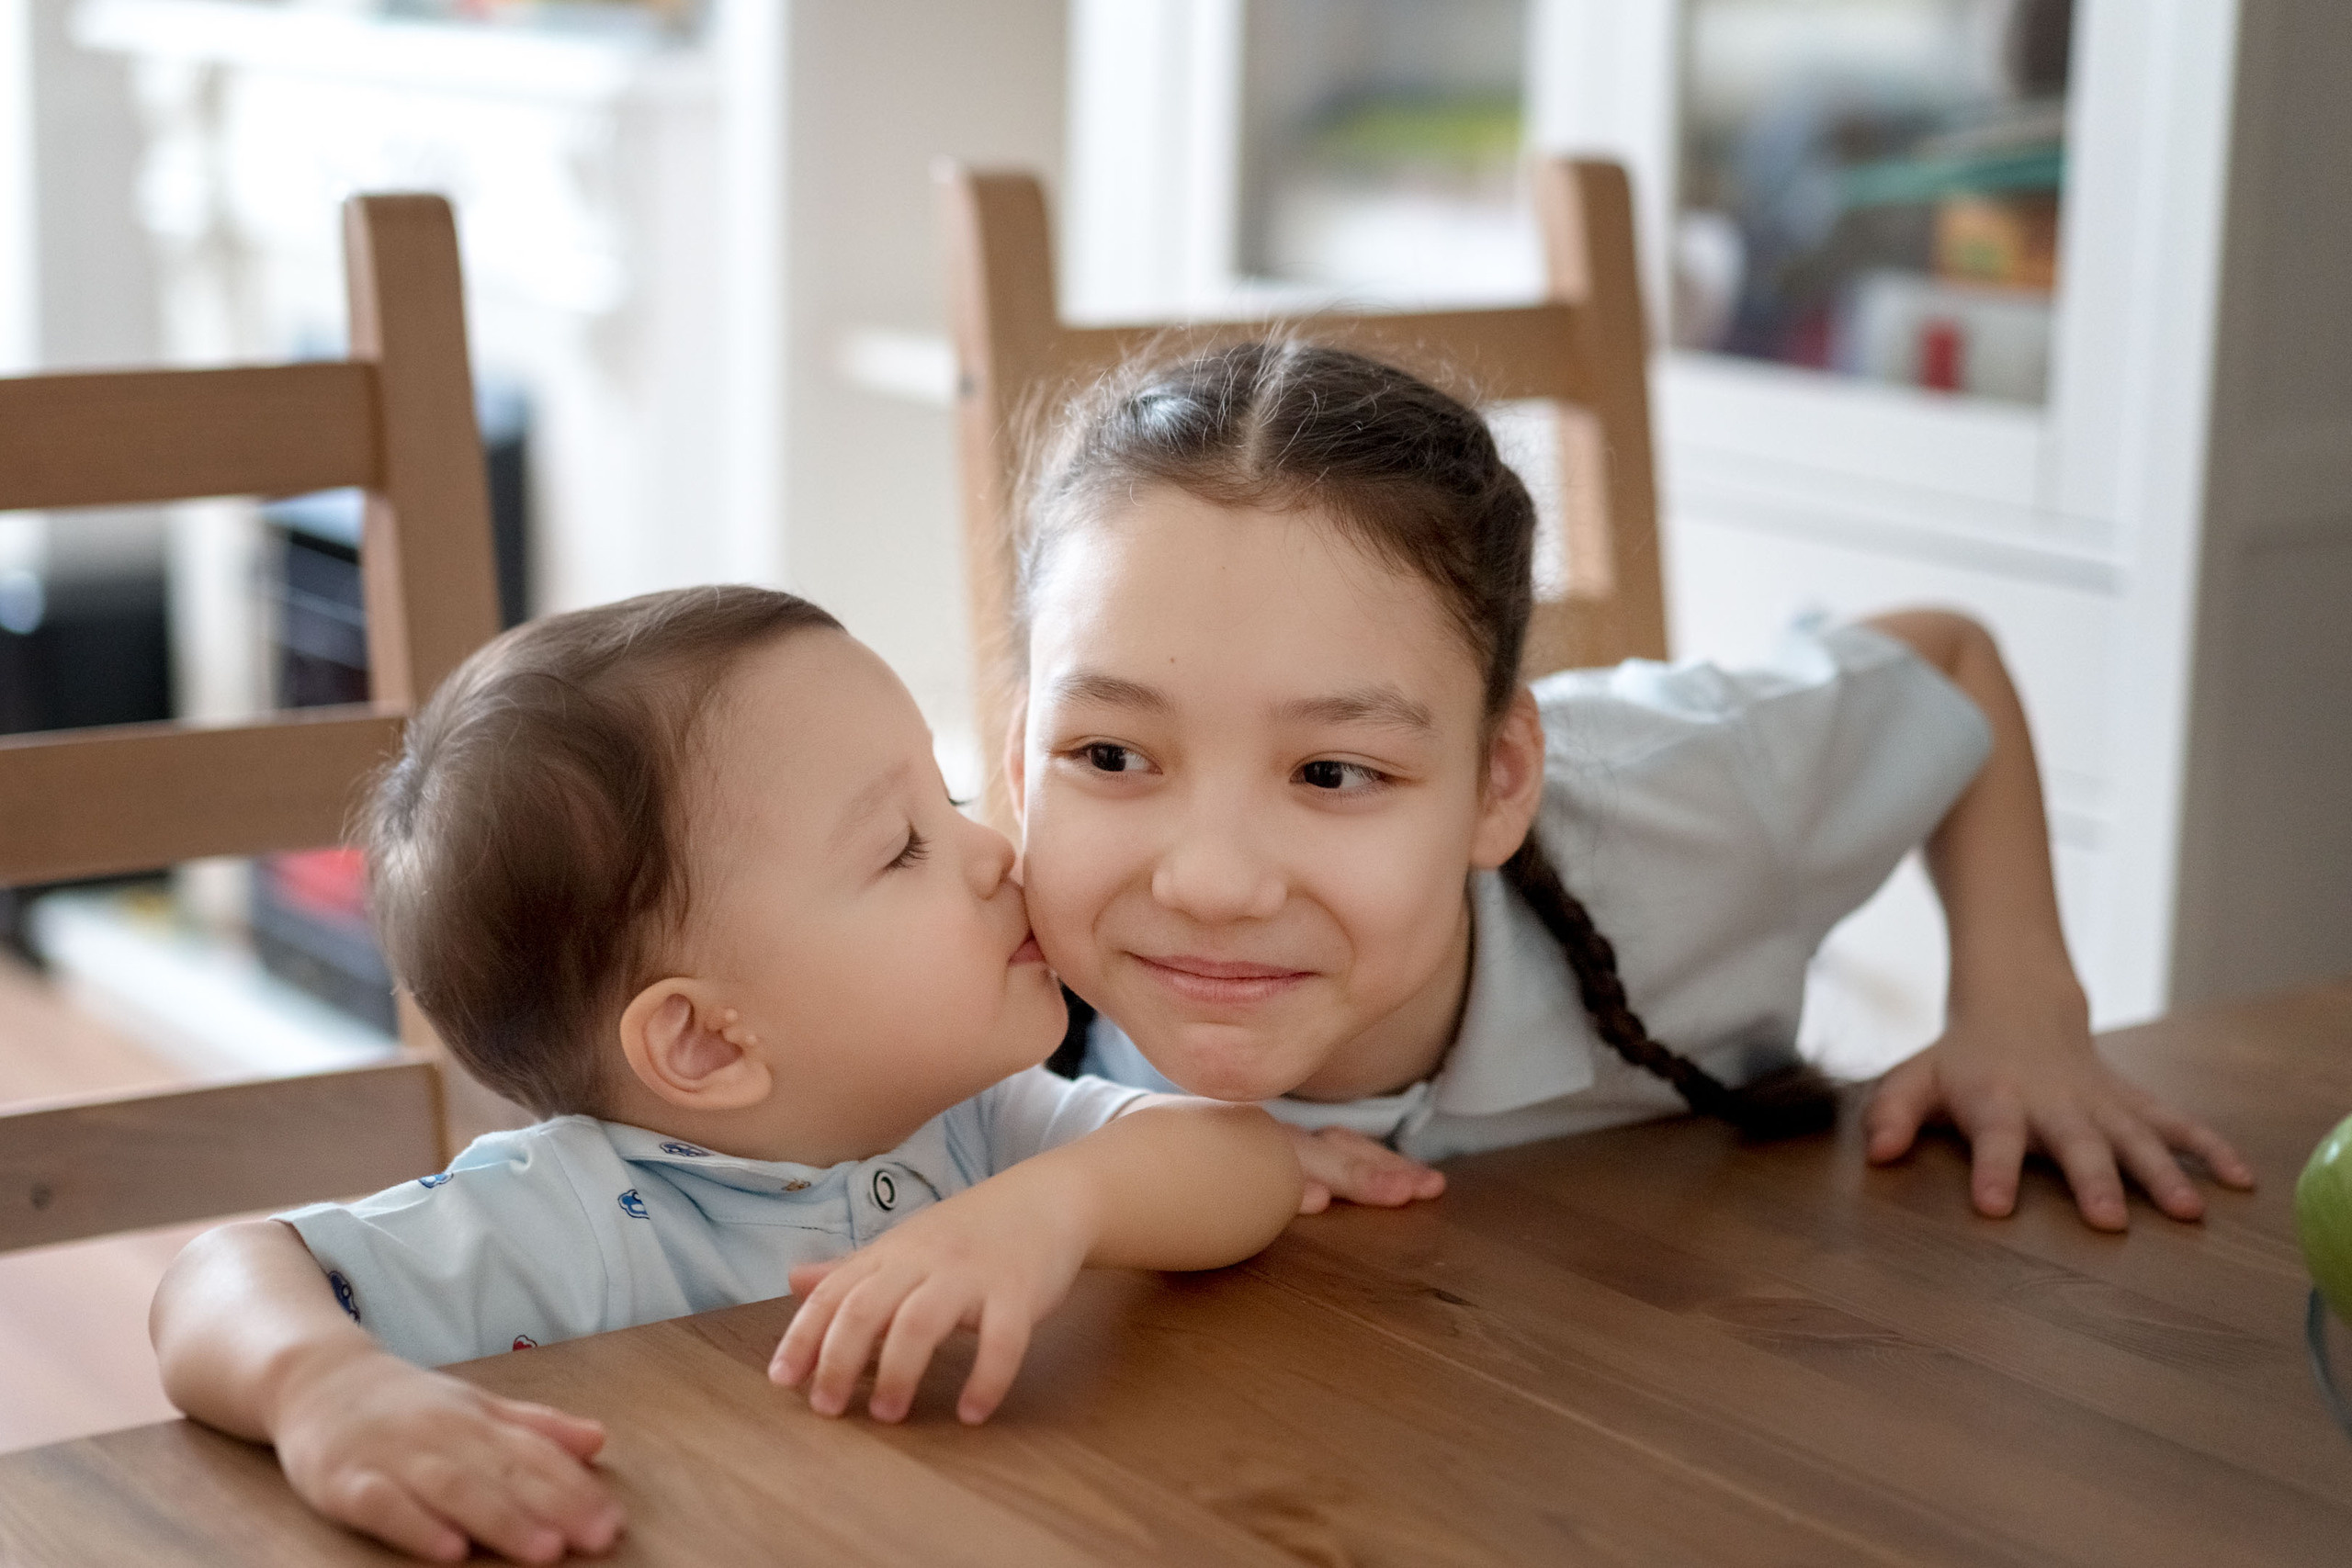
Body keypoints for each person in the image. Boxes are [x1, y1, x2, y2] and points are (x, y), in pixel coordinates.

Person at [147, 587, 1301, 1564]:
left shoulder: (974, 1132)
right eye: (903, 845)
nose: (996, 850)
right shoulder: (569, 1219)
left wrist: (1048, 1213)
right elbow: (219, 1273)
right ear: (705, 1043)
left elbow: (1245, 1158)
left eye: (945, 800)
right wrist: (322, 1385)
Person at [1008, 339, 2254, 1227]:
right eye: (1112, 755)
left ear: (1500, 781)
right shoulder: (957, 955)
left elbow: (1950, 657)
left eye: (1334, 769)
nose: (1213, 879)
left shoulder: (1691, 806)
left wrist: (2024, 1003)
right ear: (1019, 757)